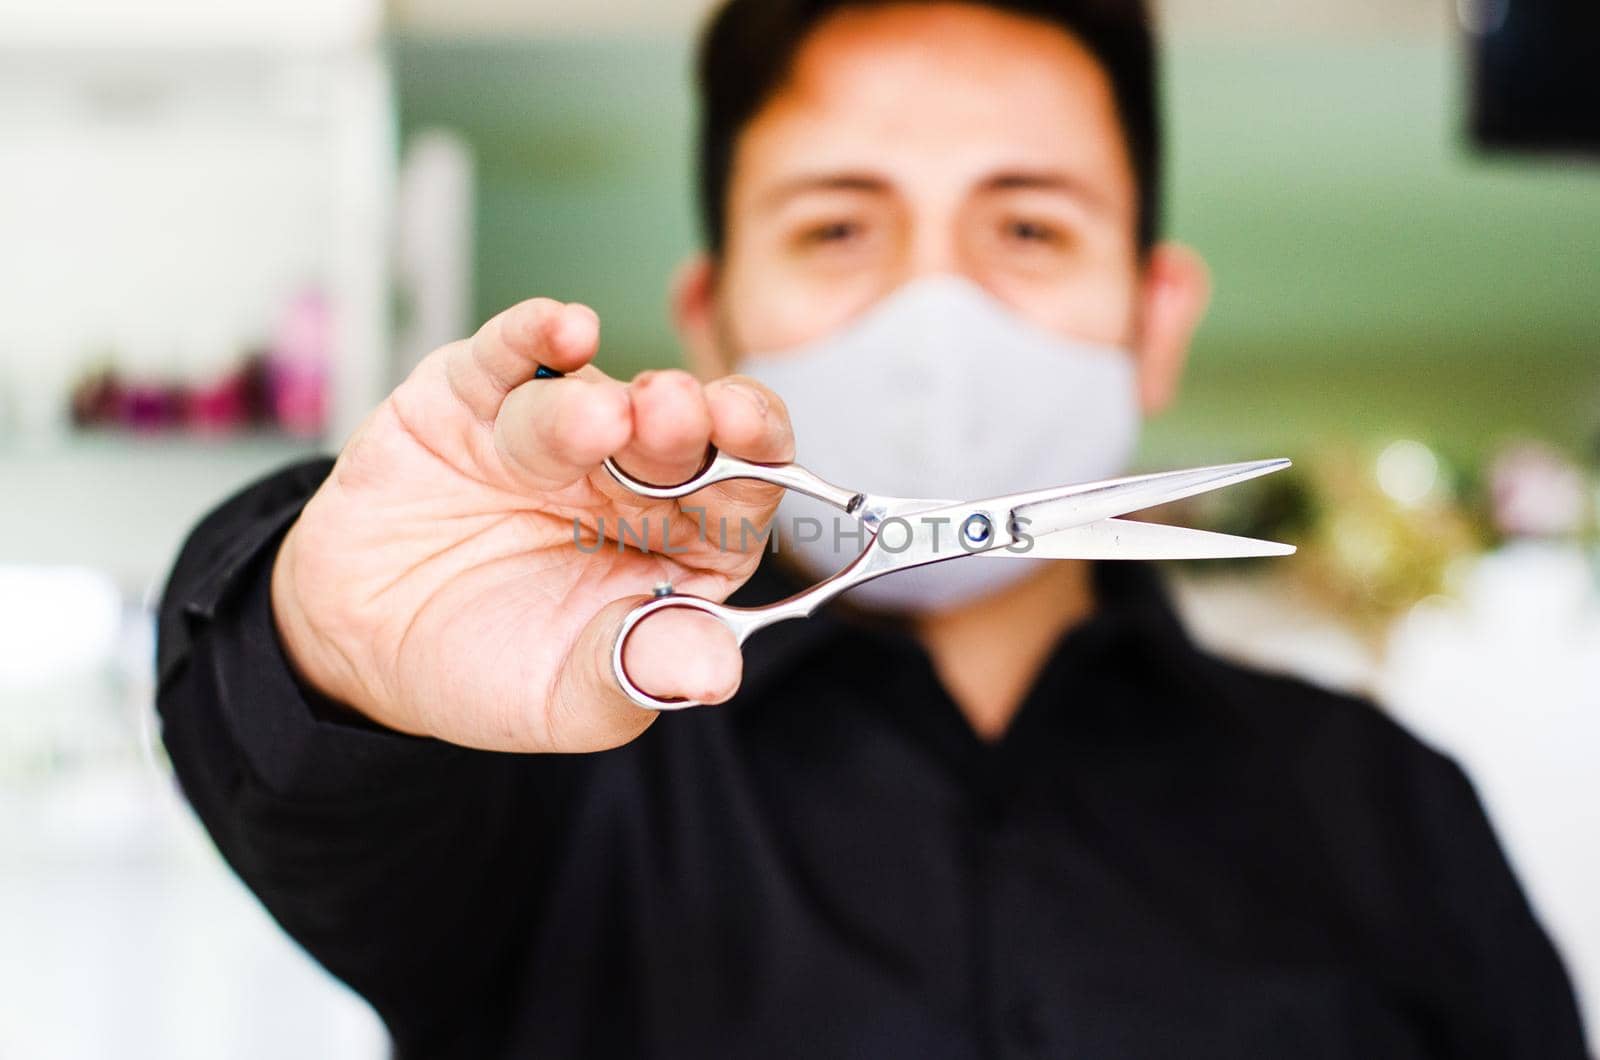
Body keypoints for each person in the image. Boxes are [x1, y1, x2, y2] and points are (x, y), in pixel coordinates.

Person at [156, 1, 1588, 1056]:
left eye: (1028, 230)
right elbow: (293, 760)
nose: (935, 320)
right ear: (714, 314)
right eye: (840, 230)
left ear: (1155, 322)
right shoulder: (541, 784)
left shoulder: (1386, 811)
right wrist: (326, 637)